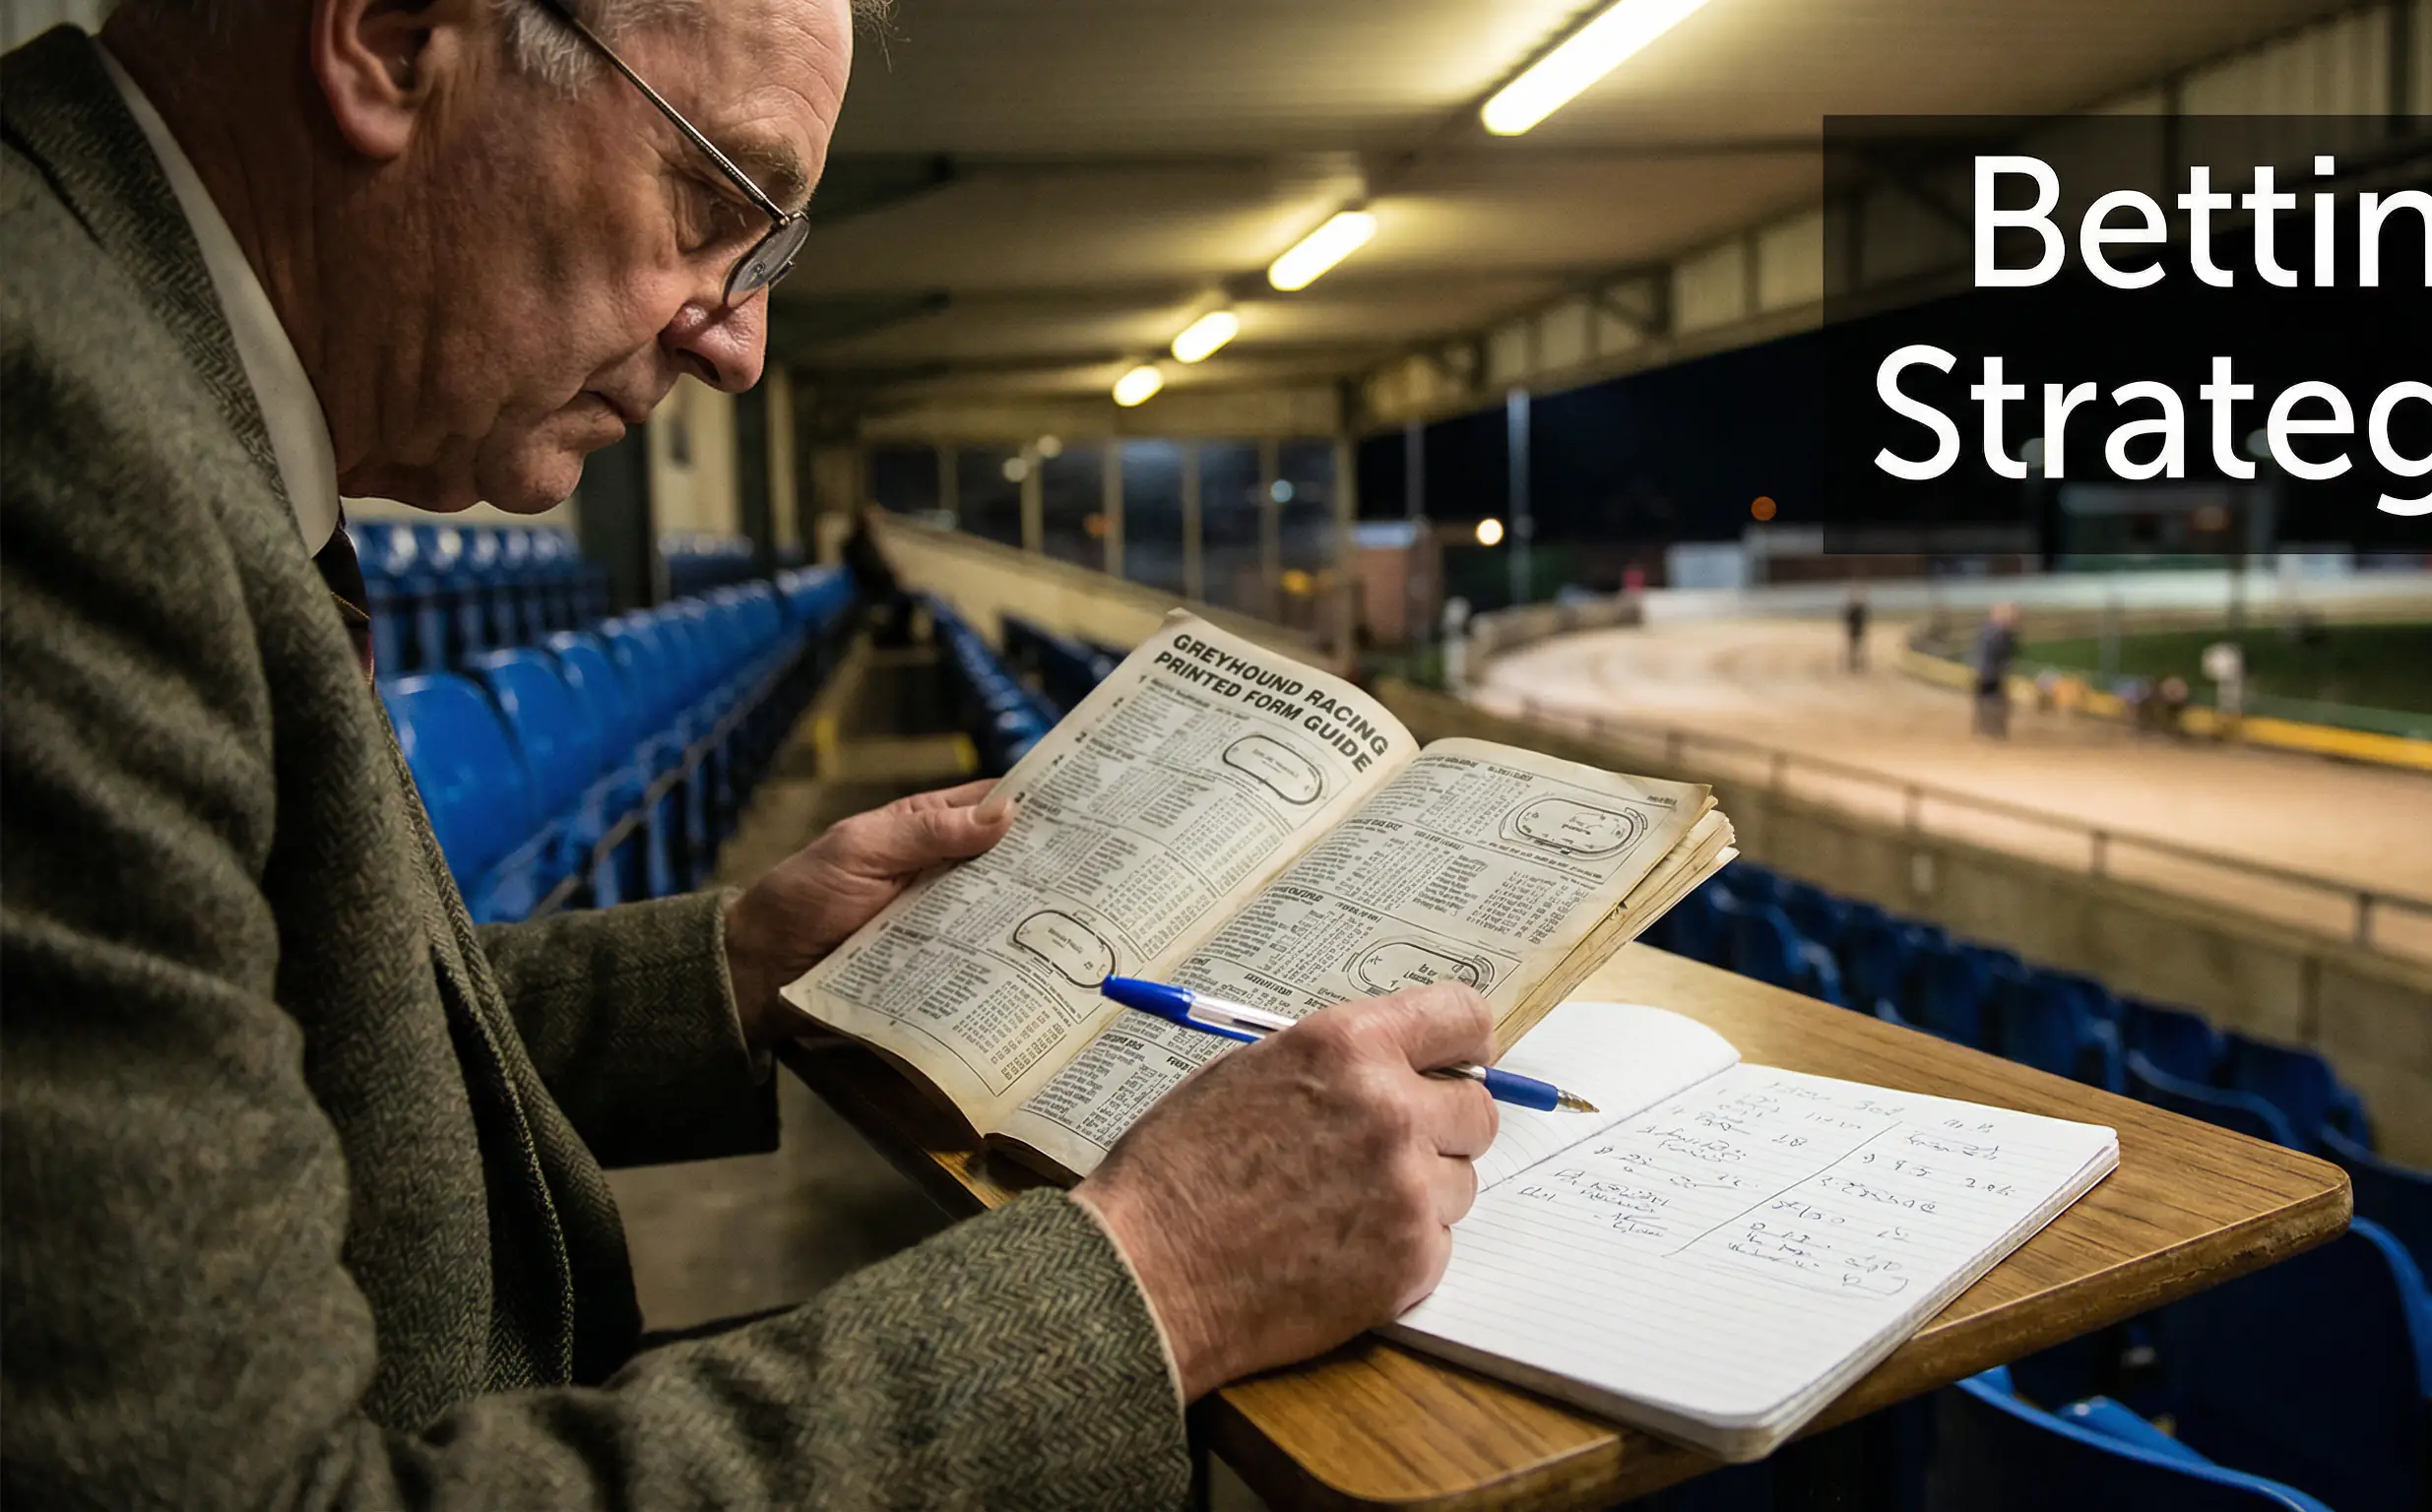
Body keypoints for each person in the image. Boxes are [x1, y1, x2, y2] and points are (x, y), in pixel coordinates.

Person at [0, 4, 1496, 1507]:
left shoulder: (131, 383)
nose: (739, 345)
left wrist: (737, 965)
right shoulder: (55, 442)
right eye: (715, 202)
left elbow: (298, 1032)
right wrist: (1161, 1278)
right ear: (392, 42)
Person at [1971, 601, 2020, 738]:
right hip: (1990, 675)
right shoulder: (1996, 634)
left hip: (1990, 675)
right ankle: (1989, 732)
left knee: (1994, 704)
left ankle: (1991, 732)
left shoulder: (1997, 633)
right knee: (1992, 703)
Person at [1841, 585, 1870, 673]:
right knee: (1856, 647)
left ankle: (1856, 663)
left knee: (1855, 647)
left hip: (1856, 630)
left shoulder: (1856, 609)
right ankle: (1856, 663)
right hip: (1856, 630)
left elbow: (1849, 620)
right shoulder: (1858, 609)